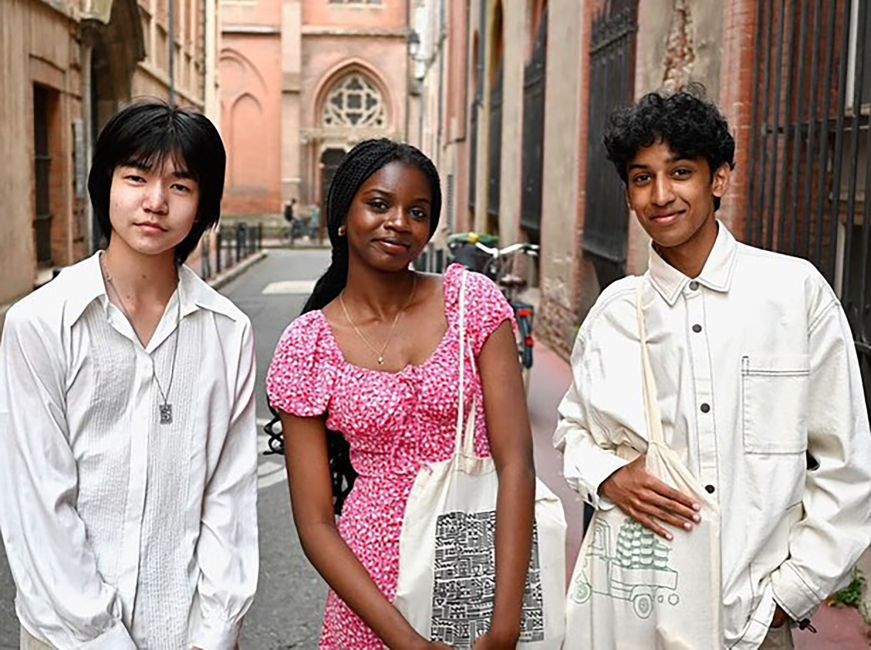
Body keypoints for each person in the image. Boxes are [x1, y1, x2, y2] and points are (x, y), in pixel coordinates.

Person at [554, 86, 871, 648]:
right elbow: (573, 430)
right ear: (628, 193)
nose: (660, 194)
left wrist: (787, 597)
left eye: (680, 172)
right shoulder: (615, 315)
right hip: (635, 612)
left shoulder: (794, 294)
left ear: (717, 178)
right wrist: (610, 475)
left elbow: (846, 462)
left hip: (750, 624)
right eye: (641, 177)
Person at [0, 101, 258, 649]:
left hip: (189, 633)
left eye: (180, 187)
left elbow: (229, 496)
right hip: (68, 636)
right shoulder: (41, 324)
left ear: (204, 204)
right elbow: (38, 504)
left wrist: (214, 634)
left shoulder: (227, 331)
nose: (155, 202)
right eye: (136, 177)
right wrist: (103, 637)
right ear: (106, 186)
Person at [266, 138, 536, 649]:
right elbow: (316, 522)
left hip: (476, 572)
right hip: (370, 597)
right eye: (378, 204)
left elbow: (517, 462)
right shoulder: (308, 345)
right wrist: (405, 641)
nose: (399, 222)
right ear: (342, 216)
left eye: (418, 211)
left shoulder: (471, 302)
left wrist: (505, 622)